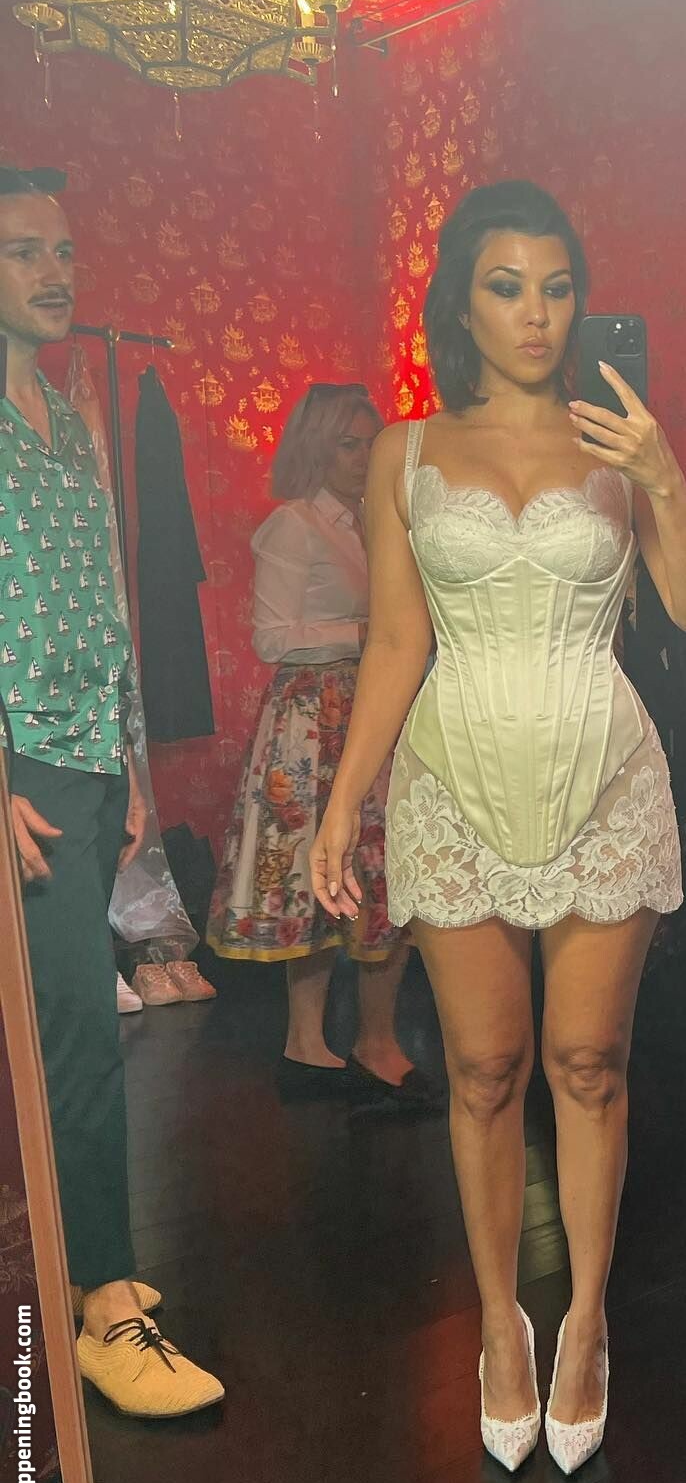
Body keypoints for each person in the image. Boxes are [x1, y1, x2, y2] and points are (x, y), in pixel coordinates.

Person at [310, 181, 686, 1473]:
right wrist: (345, 802)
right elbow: (395, 640)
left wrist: (662, 478)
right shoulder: (406, 454)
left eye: (556, 286)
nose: (536, 313)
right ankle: (502, 1322)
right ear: (464, 304)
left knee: (589, 1063)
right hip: (452, 781)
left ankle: (585, 1322)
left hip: (606, 782)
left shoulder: (620, 443)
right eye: (507, 286)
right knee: (484, 1070)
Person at [0, 163, 223, 1416]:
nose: (55, 273)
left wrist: (133, 760)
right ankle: (97, 1308)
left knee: (75, 1034)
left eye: (63, 250)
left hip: (88, 765)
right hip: (20, 775)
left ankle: (93, 1272)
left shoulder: (72, 420)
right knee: (77, 1032)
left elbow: (106, 600)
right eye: (24, 251)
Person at [208, 384, 441, 1109]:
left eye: (370, 443)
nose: (362, 457)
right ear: (315, 448)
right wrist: (367, 635)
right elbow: (272, 638)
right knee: (309, 876)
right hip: (313, 716)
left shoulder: (383, 520)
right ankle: (306, 1045)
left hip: (376, 704)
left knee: (384, 867)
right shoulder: (294, 525)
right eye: (347, 444)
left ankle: (376, 1040)